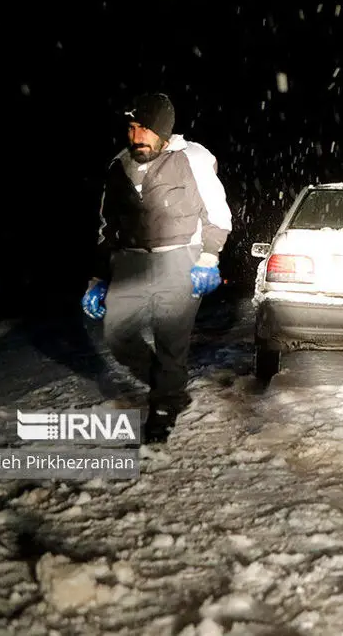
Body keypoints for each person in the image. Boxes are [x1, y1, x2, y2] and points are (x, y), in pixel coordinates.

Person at [80, 93, 232, 442]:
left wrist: (209, 258)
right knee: (117, 335)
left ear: (163, 131)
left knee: (170, 339)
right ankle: (170, 384)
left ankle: (163, 409)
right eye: (132, 128)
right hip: (131, 260)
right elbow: (107, 227)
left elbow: (218, 213)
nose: (136, 137)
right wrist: (98, 278)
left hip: (180, 259)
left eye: (145, 129)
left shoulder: (192, 158)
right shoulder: (118, 166)